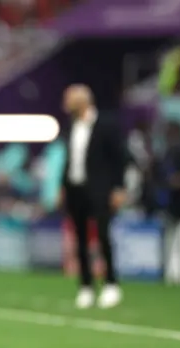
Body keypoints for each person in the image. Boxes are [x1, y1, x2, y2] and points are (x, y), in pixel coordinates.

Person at [60, 84, 126, 309]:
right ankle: (86, 286)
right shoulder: (72, 126)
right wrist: (63, 186)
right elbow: (70, 160)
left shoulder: (106, 124)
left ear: (82, 101)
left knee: (104, 236)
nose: (65, 103)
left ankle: (111, 284)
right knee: (80, 239)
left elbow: (119, 158)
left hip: (100, 189)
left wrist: (118, 188)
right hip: (76, 188)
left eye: (69, 99)